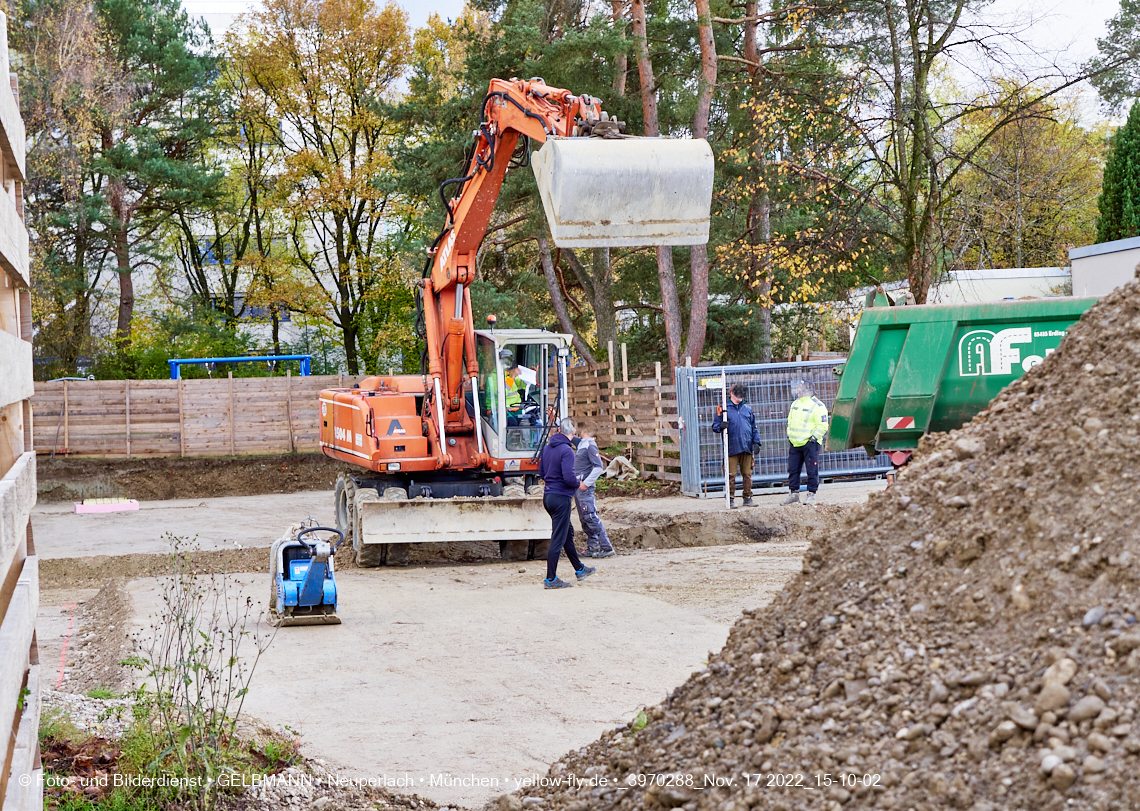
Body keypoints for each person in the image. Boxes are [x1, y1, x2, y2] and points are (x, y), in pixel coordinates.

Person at [537, 418, 596, 589]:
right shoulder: (567, 451)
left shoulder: (547, 448)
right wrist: (579, 482)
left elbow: (541, 472)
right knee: (558, 537)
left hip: (548, 497)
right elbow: (569, 477)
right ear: (574, 433)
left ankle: (579, 569)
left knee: (567, 533)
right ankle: (550, 579)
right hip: (561, 498)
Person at [712, 383, 761, 508]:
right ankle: (730, 498)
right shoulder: (723, 409)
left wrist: (756, 442)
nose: (740, 398)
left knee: (747, 474)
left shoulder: (747, 409)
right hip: (731, 447)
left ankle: (748, 496)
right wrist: (720, 426)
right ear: (731, 393)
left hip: (747, 447)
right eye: (738, 395)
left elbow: (753, 427)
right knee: (730, 475)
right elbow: (715, 426)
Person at [782, 379, 829, 506]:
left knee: (811, 469)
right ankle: (794, 494)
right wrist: (790, 436)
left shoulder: (817, 406)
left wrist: (813, 438)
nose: (797, 390)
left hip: (810, 443)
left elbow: (823, 425)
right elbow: (790, 421)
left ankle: (811, 494)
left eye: (800, 388)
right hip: (795, 443)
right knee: (793, 469)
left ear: (806, 390)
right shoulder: (795, 404)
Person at [572, 420, 615, 558]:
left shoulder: (590, 446)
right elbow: (570, 436)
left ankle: (606, 547)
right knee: (584, 518)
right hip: (579, 487)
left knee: (590, 516)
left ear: (584, 430)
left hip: (584, 487)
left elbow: (598, 467)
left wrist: (586, 482)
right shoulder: (582, 444)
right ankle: (593, 547)